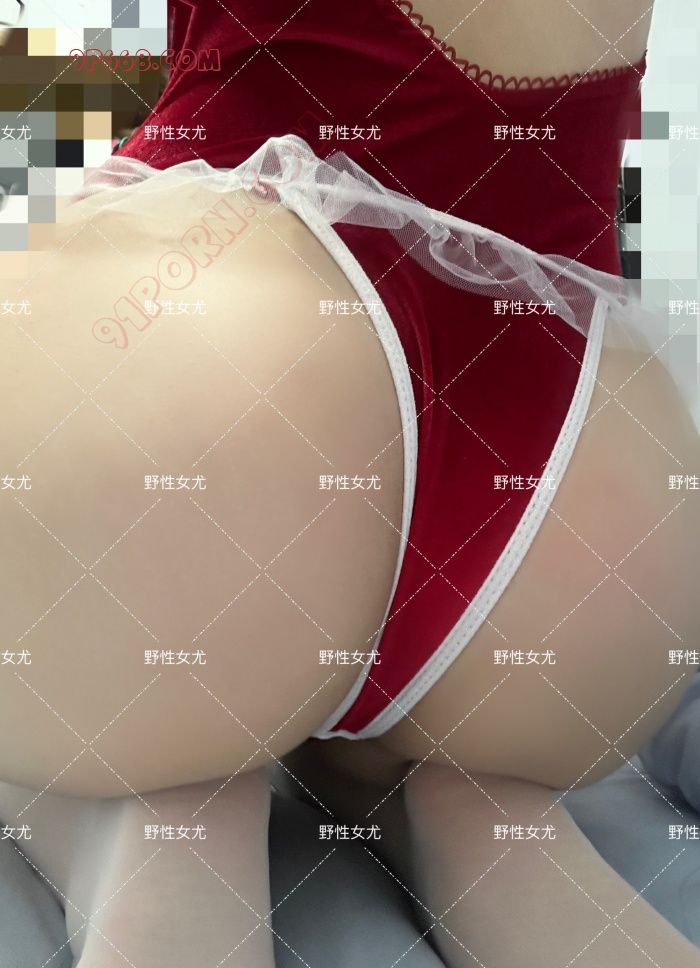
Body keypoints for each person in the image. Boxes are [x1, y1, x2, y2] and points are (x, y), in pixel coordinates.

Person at [1, 1, 699, 965]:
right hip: (594, 485)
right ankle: (465, 814)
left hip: (216, 361)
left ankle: (147, 823)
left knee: (134, 712)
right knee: (470, 767)